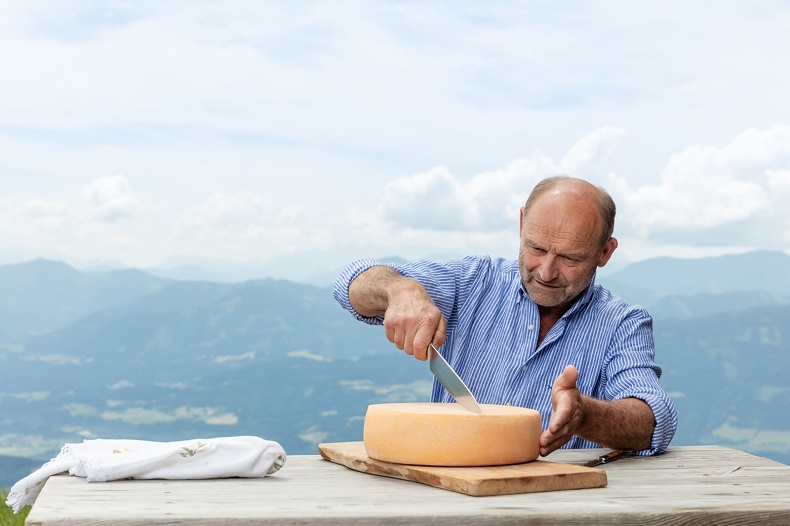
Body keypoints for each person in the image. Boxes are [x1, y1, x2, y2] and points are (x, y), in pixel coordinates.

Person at [333, 175, 677, 456]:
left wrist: (585, 415)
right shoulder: (472, 281)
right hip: (450, 489)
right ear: (522, 224)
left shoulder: (622, 324)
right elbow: (352, 282)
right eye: (536, 248)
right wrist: (399, 290)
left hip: (557, 502)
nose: (546, 271)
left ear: (605, 252)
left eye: (570, 258)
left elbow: (653, 421)